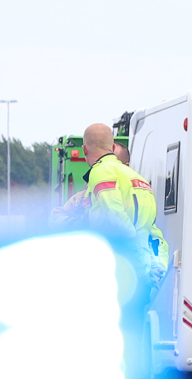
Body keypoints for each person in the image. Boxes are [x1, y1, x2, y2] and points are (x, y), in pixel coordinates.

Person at [59, 122, 168, 297]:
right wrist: (156, 268)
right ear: (113, 146)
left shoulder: (101, 171)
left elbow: (119, 223)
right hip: (141, 280)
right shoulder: (140, 180)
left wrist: (141, 269)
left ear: (85, 150)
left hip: (118, 276)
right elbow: (155, 235)